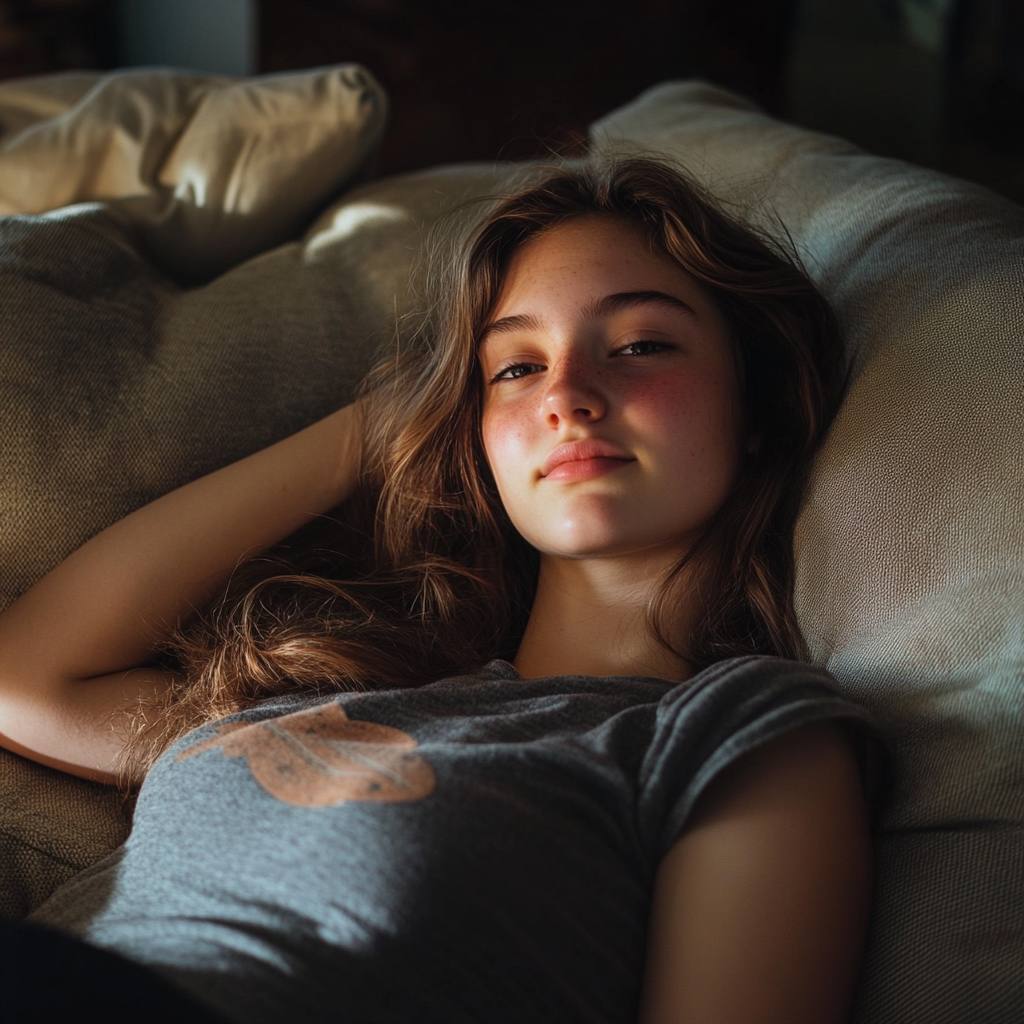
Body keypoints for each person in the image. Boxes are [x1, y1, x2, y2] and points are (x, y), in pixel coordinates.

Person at [0, 156, 884, 1023]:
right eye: (514, 369)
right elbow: (27, 677)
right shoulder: (333, 700)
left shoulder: (730, 733)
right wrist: (382, 426)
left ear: (758, 407)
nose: (567, 396)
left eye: (641, 345)